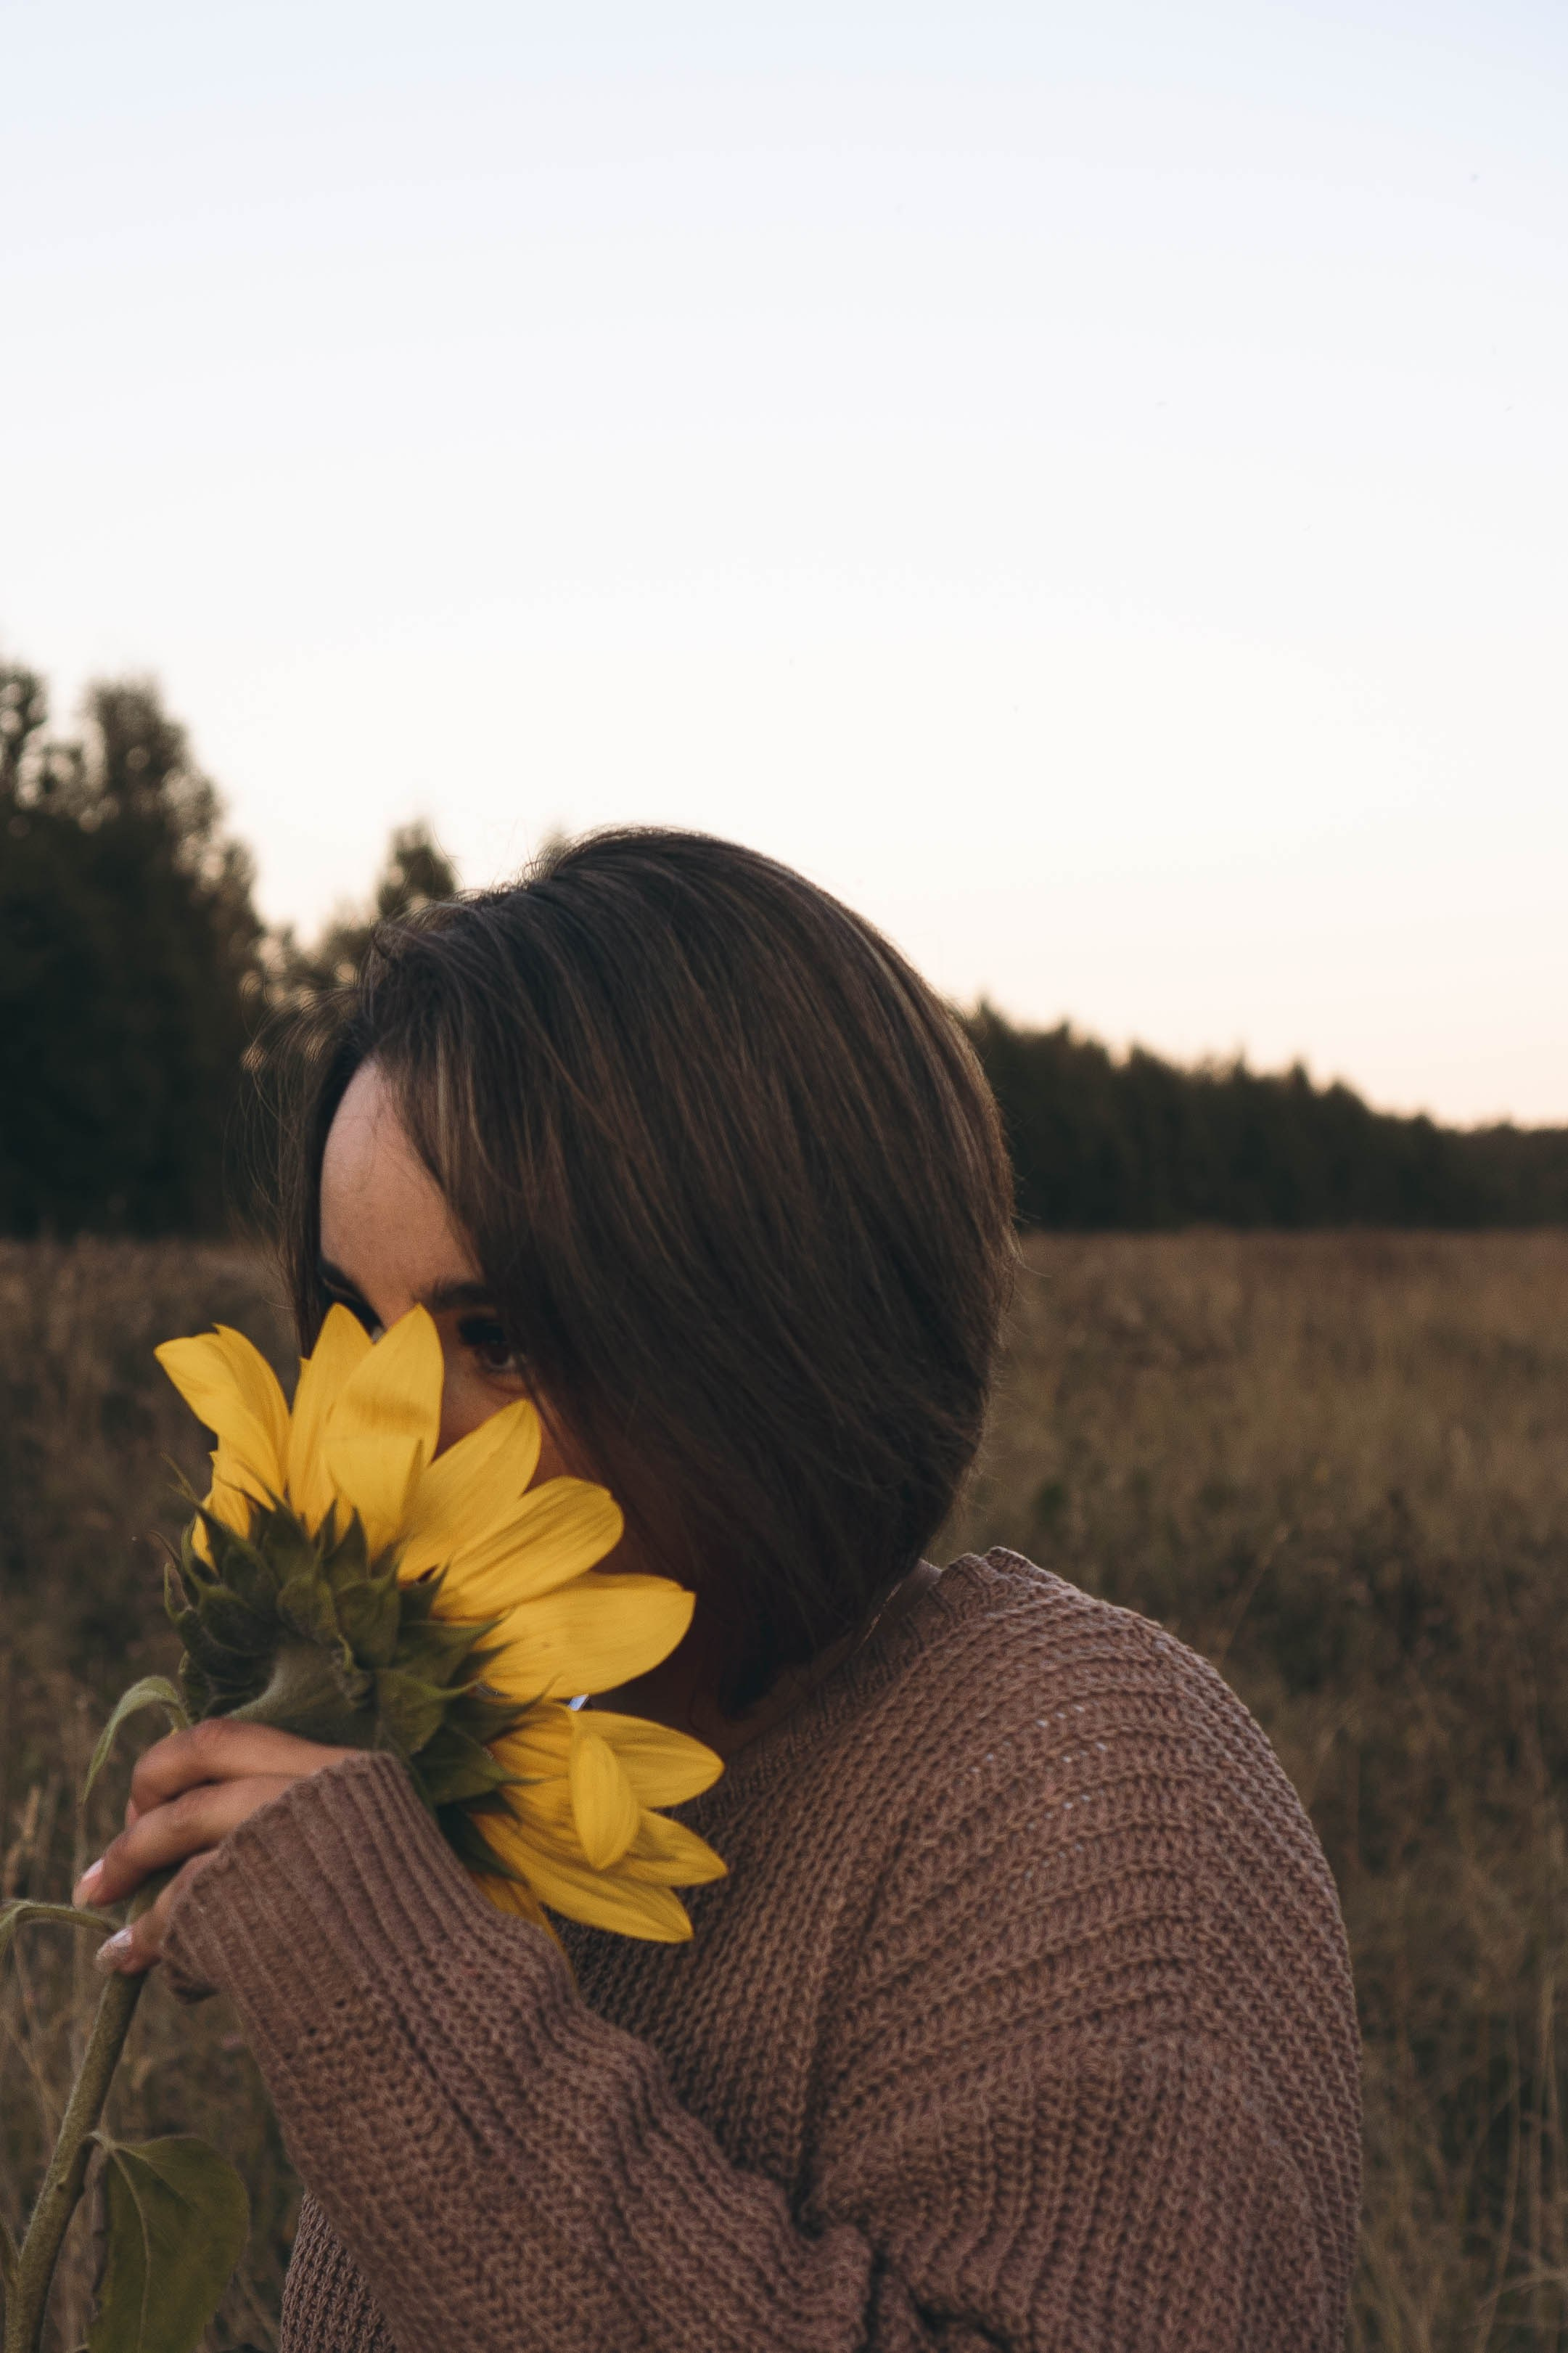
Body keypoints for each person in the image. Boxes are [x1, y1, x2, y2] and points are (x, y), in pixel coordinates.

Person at [75, 830, 1361, 2352]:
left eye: (499, 1332)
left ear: (763, 1336)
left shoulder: (1081, 1772)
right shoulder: (500, 1785)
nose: (389, 1421)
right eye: (355, 1318)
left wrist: (395, 2002)